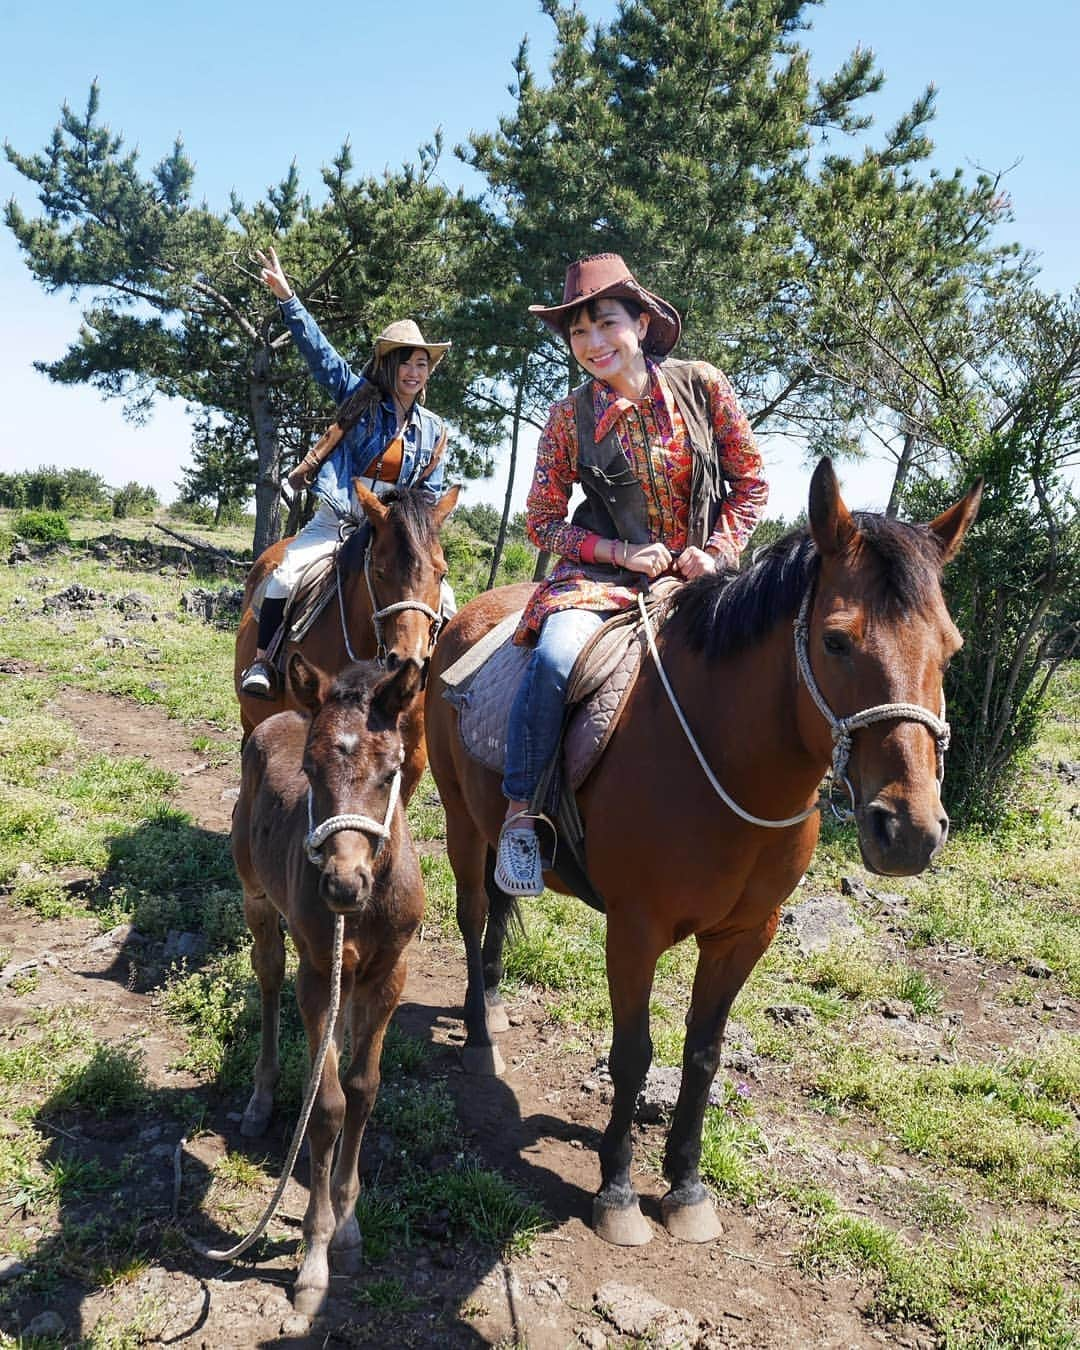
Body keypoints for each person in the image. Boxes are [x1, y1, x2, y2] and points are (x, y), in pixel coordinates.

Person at [494, 253, 768, 896]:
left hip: (703, 578)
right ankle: (520, 817)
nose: (592, 344)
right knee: (558, 659)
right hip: (600, 580)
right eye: (578, 333)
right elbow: (540, 520)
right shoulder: (568, 419)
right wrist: (615, 553)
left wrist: (721, 549)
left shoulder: (704, 386)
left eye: (606, 324)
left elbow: (751, 482)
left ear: (641, 324)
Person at [240, 246, 452, 697]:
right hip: (339, 520)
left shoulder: (435, 430)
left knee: (445, 601)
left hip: (394, 535)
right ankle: (263, 662)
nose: (414, 372)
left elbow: (428, 497)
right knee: (284, 574)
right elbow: (320, 354)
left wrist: (410, 530)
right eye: (406, 363)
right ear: (388, 365)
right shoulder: (359, 398)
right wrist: (288, 299)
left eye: (422, 364)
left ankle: (434, 686)